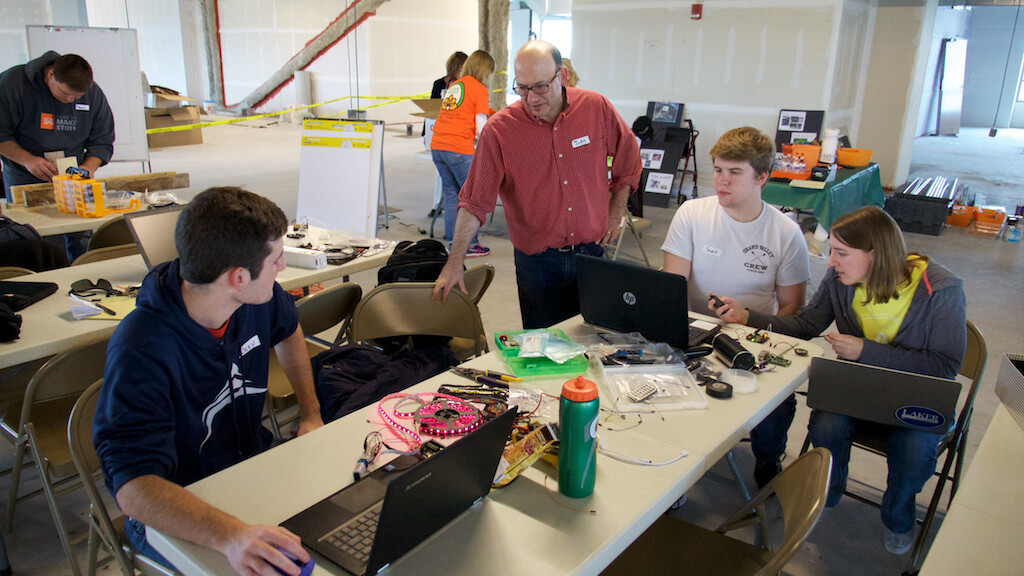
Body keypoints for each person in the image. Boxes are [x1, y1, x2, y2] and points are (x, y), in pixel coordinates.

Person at [93, 187, 324, 575]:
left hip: (247, 470)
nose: (282, 267)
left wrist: (310, 413)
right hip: (175, 507)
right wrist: (231, 536)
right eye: (277, 259)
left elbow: (288, 328)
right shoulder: (141, 348)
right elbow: (133, 489)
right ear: (238, 278)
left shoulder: (259, 299)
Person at [712, 205, 966, 555]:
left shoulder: (941, 289)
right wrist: (746, 316)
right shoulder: (839, 280)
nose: (831, 262)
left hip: (916, 398)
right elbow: (806, 325)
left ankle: (898, 513)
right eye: (832, 250)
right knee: (826, 426)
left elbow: (945, 365)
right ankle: (828, 490)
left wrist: (866, 351)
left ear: (876, 254)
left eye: (842, 253)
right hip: (857, 390)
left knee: (914, 452)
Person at [433, 40, 642, 329]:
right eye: (522, 88)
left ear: (562, 76)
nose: (531, 98)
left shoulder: (595, 108)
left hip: (591, 255)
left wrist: (616, 211)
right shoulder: (501, 131)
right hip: (537, 263)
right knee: (543, 346)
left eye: (541, 87)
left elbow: (628, 156)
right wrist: (454, 262)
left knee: (592, 339)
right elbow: (473, 201)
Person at [661, 126, 809, 488]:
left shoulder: (785, 233)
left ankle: (768, 460)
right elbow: (670, 289)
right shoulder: (692, 214)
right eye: (718, 169)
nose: (721, 180)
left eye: (734, 172)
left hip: (753, 336)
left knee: (778, 404)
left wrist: (751, 324)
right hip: (691, 332)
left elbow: (792, 309)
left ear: (762, 177)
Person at [0, 51, 114, 201]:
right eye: (65, 93)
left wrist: (87, 168)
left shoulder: (92, 93)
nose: (70, 99)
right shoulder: (12, 85)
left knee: (75, 215)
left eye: (77, 97)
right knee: (24, 215)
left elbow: (102, 140)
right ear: (50, 75)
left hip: (72, 175)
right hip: (24, 173)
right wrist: (28, 160)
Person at [430, 49, 495, 257]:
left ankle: (453, 242)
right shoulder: (479, 89)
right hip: (459, 149)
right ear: (484, 70)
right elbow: (481, 127)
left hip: (438, 146)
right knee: (472, 198)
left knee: (451, 195)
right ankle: (470, 244)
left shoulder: (455, 86)